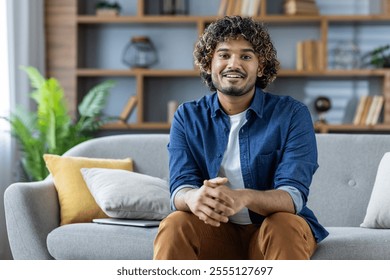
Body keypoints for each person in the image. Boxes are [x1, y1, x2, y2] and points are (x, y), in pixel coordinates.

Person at [153, 15, 328, 260]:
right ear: (208, 63)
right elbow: (180, 187)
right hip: (215, 233)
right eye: (224, 55)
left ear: (261, 67)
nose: (233, 64)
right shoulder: (187, 116)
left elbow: (293, 196)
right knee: (175, 224)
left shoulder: (291, 114)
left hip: (272, 230)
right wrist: (193, 197)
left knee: (283, 225)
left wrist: (243, 197)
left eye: (246, 56)